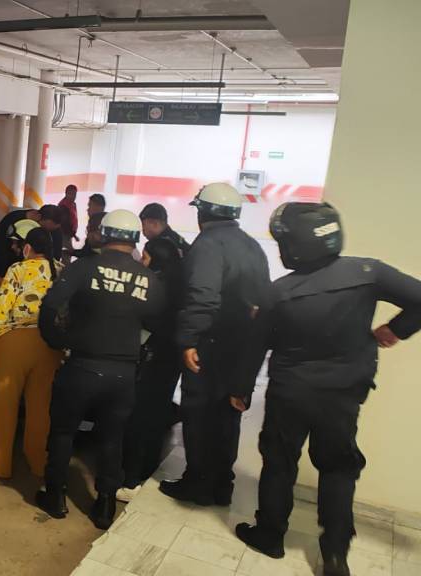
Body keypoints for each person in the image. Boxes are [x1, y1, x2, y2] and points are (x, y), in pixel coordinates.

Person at [234, 203, 421, 576]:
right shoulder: (368, 272)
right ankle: (335, 555)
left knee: (279, 462)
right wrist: (396, 330)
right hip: (343, 394)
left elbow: (254, 347)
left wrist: (241, 389)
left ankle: (270, 536)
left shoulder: (278, 292)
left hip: (290, 393)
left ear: (296, 244)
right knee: (338, 468)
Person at [36, 210, 162, 530]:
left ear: (104, 235)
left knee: (63, 432)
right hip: (123, 373)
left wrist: (57, 341)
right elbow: (157, 322)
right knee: (112, 438)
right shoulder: (148, 278)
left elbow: (49, 306)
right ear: (135, 239)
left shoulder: (84, 267)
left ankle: (56, 497)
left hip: (81, 366)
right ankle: (105, 505)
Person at [159, 182, 271, 507]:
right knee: (227, 416)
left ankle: (197, 483)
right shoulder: (251, 245)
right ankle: (222, 485)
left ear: (203, 212)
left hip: (210, 344)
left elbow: (203, 297)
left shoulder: (208, 244)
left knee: (198, 414)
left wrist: (188, 339)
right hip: (241, 346)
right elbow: (262, 299)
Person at [0, 227, 63, 479]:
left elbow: (1, 305)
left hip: (13, 343)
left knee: (3, 404)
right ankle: (38, 462)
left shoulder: (18, 269)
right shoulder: (61, 270)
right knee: (41, 407)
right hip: (49, 345)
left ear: (27, 248)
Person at [119, 237, 185, 501]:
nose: (141, 262)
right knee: (157, 416)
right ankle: (147, 469)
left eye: (145, 257)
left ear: (157, 260)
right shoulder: (181, 286)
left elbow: (144, 320)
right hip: (170, 360)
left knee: (138, 418)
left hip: (150, 358)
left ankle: (130, 477)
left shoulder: (153, 287)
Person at [0, 204, 65, 277]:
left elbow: (56, 255)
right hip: (7, 268)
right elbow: (0, 250)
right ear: (38, 217)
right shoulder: (11, 220)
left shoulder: (54, 229)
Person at [58, 185, 80, 257]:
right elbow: (65, 223)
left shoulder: (73, 204)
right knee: (67, 254)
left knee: (67, 253)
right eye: (71, 194)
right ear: (66, 193)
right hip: (64, 234)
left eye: (75, 194)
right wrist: (74, 235)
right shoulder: (63, 206)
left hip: (69, 234)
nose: (73, 196)